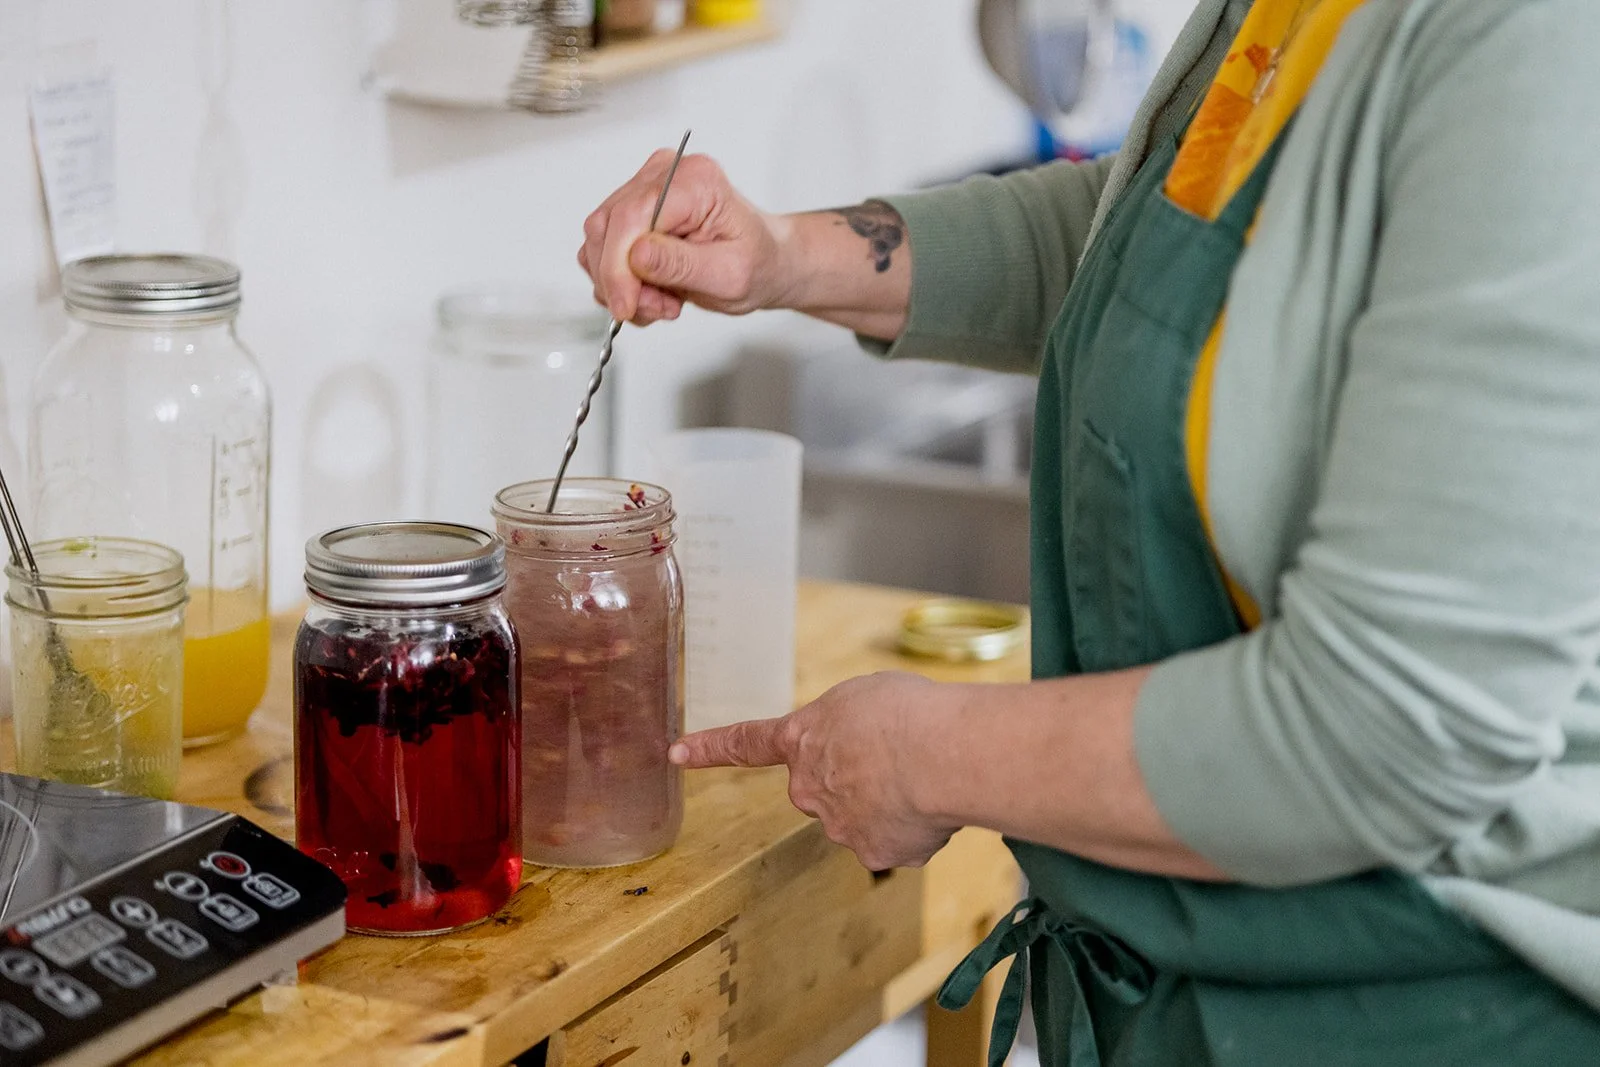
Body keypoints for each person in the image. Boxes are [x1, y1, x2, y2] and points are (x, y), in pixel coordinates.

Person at [578, 1, 1600, 1063]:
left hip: (1423, 1003)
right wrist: (789, 255)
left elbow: (1398, 725)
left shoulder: (1539, 39)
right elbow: (1162, 245)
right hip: (1193, 988)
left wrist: (925, 757)